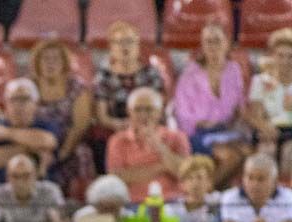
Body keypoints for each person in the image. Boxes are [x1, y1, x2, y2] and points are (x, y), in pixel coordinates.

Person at [173, 22, 248, 187]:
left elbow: (239, 104)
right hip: (198, 133)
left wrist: (239, 119)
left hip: (227, 131)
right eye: (208, 41)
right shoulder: (191, 73)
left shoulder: (233, 70)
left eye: (217, 41)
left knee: (249, 153)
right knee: (232, 157)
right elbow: (182, 112)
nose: (213, 46)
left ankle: (222, 196)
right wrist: (204, 123)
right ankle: (206, 192)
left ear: (226, 43)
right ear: (202, 45)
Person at [91, 20, 166, 172]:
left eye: (129, 41)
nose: (124, 47)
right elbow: (102, 116)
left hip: (148, 127)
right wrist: (122, 126)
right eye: (119, 42)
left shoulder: (151, 74)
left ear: (138, 45)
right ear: (111, 47)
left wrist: (141, 127)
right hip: (115, 128)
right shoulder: (103, 77)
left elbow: (159, 109)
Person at [30, 39, 94, 198]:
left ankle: (80, 201)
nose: (50, 63)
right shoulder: (29, 86)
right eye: (45, 59)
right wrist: (38, 148)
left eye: (56, 59)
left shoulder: (76, 87)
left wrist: (63, 151)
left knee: (81, 154)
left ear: (64, 63)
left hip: (69, 143)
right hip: (36, 143)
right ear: (37, 63)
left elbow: (80, 124)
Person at [0, 78, 59, 196]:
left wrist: (6, 133)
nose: (18, 105)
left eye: (24, 99)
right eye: (13, 99)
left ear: (36, 103)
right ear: (6, 104)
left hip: (39, 195)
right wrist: (35, 153)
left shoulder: (45, 124)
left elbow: (48, 141)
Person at [107, 87, 191, 202]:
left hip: (172, 200)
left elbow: (184, 174)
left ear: (160, 112)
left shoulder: (177, 137)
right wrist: (162, 166)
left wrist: (160, 147)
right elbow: (118, 178)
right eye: (137, 109)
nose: (143, 114)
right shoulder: (117, 140)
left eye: (149, 109)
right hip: (133, 202)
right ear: (128, 111)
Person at [247, 28, 292, 181]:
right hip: (267, 130)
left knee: (289, 152)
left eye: (290, 56)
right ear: (272, 56)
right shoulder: (260, 81)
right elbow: (255, 115)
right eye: (280, 56)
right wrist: (265, 127)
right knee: (266, 151)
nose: (285, 61)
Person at [220, 153, 292, 222]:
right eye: (250, 178)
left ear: (275, 181)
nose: (254, 184)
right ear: (243, 178)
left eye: (261, 179)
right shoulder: (229, 196)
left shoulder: (289, 197)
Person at [164, 155, 220, 222]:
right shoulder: (171, 208)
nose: (195, 183)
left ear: (209, 182)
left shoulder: (217, 201)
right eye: (189, 178)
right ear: (182, 184)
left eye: (199, 177)